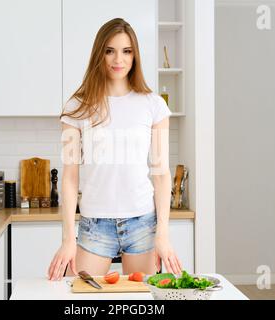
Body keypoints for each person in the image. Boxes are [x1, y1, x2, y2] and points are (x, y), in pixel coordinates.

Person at [48, 18, 183, 281]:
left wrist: (162, 235)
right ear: (99, 53)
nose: (118, 59)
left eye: (126, 51)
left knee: (142, 301)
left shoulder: (153, 105)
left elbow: (161, 174)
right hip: (94, 224)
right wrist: (67, 239)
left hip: (142, 222)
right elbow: (69, 176)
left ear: (135, 56)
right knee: (82, 299)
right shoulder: (77, 106)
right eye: (110, 50)